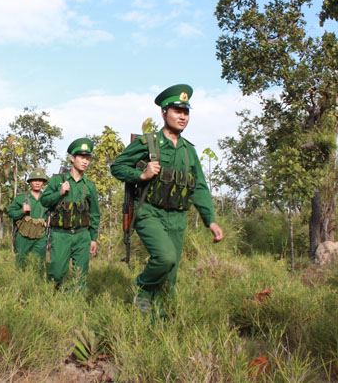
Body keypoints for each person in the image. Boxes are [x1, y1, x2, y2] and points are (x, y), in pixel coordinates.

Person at [110, 84, 223, 316]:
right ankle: (142, 287)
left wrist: (210, 220)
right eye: (176, 111)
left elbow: (199, 186)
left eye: (186, 112)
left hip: (177, 217)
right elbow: (118, 166)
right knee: (165, 257)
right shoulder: (148, 142)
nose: (182, 117)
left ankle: (157, 325)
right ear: (164, 112)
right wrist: (141, 174)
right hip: (149, 211)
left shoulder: (188, 151)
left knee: (170, 278)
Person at [40, 138, 100, 289]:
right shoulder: (57, 180)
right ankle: (52, 301)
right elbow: (44, 201)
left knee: (80, 276)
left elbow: (94, 213)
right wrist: (59, 193)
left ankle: (75, 305)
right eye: (81, 157)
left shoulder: (90, 185)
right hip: (61, 235)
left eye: (87, 158)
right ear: (72, 158)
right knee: (57, 274)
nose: (85, 161)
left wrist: (93, 238)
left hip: (82, 235)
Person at [7, 168, 49, 269]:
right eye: (34, 180)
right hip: (23, 236)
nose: (37, 183)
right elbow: (10, 212)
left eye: (40, 180)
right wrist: (21, 211)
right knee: (21, 262)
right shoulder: (21, 198)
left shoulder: (47, 198)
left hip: (40, 236)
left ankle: (37, 283)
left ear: (43, 182)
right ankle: (21, 283)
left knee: (39, 264)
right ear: (30, 182)